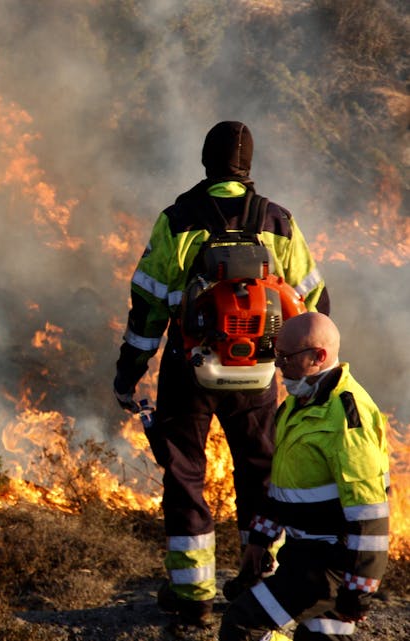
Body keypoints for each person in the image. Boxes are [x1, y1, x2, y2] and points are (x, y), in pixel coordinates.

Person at [113, 121, 330, 626]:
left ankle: (193, 596)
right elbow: (315, 304)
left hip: (188, 370)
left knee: (186, 474)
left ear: (206, 161)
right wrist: (307, 374)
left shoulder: (177, 220)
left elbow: (147, 305)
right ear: (248, 166)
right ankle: (258, 579)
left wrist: (129, 371)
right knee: (260, 473)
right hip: (258, 374)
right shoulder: (279, 222)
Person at [219, 312, 390, 641]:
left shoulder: (346, 418)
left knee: (241, 625)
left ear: (318, 356)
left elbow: (368, 514)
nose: (278, 365)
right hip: (302, 554)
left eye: (287, 357)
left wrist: (359, 591)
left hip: (330, 565)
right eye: (276, 354)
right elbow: (283, 487)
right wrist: (259, 540)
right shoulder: (296, 406)